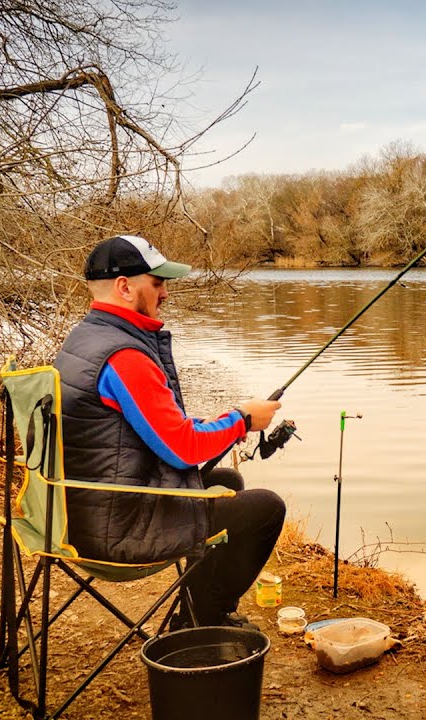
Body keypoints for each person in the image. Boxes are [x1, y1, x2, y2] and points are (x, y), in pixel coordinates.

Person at [53, 234, 285, 627]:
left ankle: (196, 612)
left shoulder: (87, 337)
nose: (165, 294)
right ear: (125, 287)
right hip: (113, 529)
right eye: (157, 283)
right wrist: (242, 420)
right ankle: (205, 620)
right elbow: (181, 450)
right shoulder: (125, 356)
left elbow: (136, 430)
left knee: (227, 478)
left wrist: (218, 425)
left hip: (74, 508)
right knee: (266, 508)